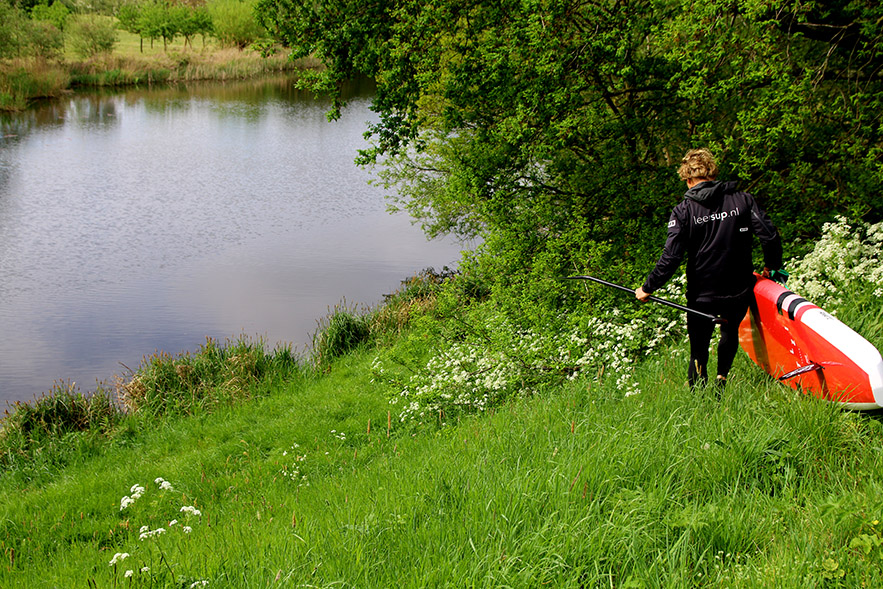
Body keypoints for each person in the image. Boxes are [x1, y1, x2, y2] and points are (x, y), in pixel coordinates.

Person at [635, 148, 783, 390]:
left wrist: (648, 288)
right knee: (730, 330)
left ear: (689, 179)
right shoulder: (743, 200)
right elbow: (770, 236)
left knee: (699, 344)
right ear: (713, 174)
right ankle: (721, 379)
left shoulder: (683, 211)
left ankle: (698, 394)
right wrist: (771, 266)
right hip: (739, 287)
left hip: (702, 291)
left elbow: (671, 257)